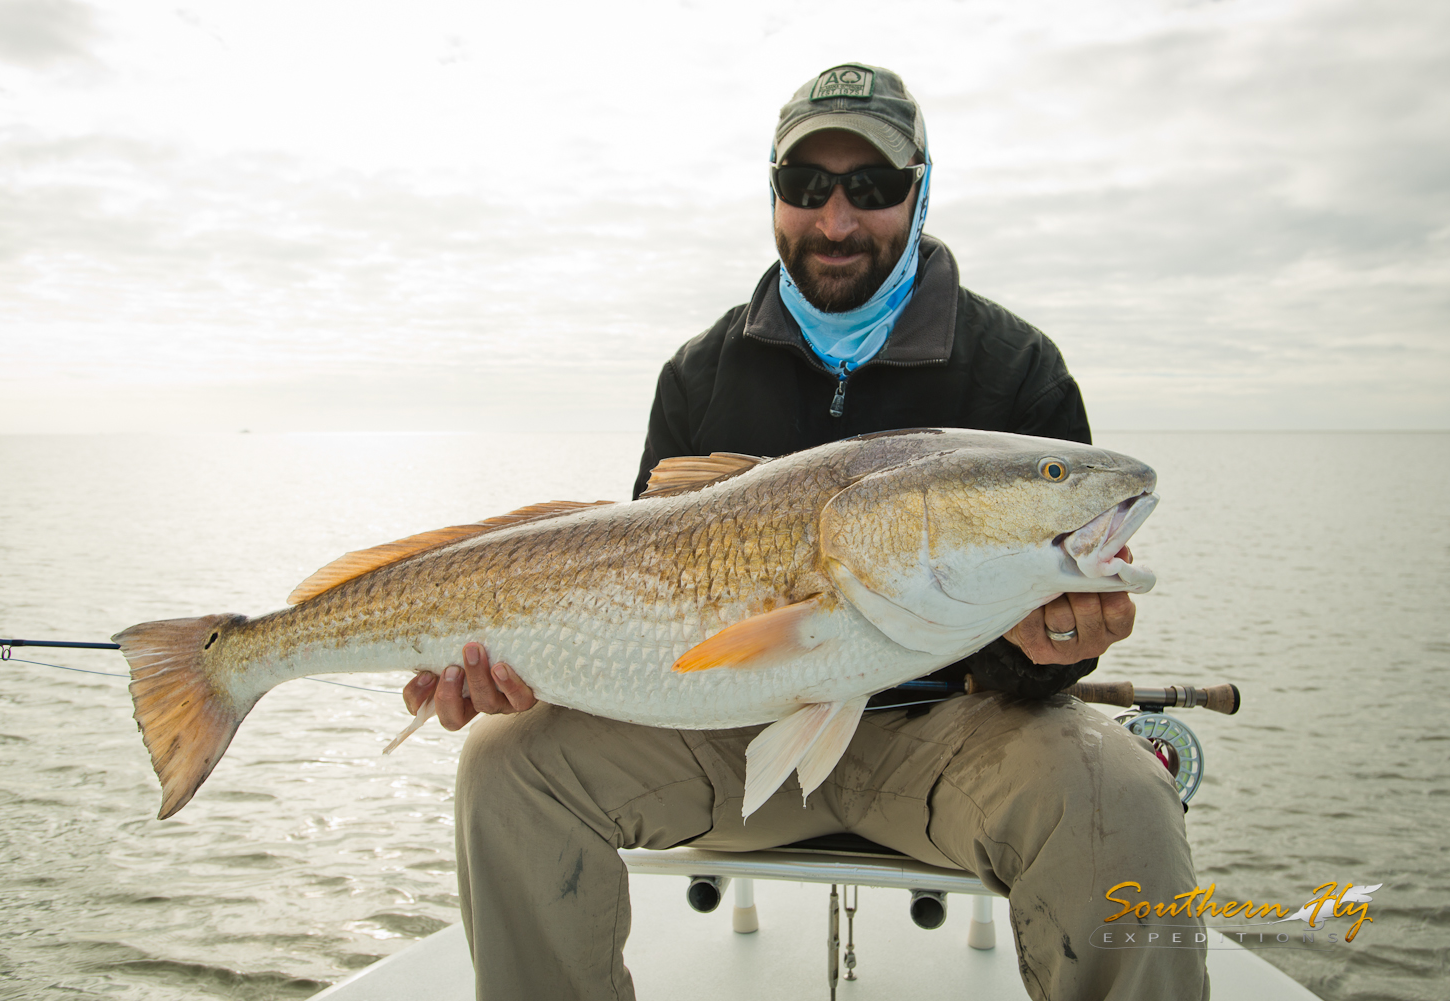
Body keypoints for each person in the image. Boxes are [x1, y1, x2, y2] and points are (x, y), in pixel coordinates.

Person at [403, 64, 1209, 1000]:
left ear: (919, 191)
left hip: (947, 733)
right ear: (774, 194)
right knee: (507, 763)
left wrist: (1050, 649)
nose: (836, 219)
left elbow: (1050, 653)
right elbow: (640, 605)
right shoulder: (699, 376)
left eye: (871, 189)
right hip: (728, 734)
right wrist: (525, 672)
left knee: (1120, 793)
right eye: (806, 186)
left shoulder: (1015, 373)